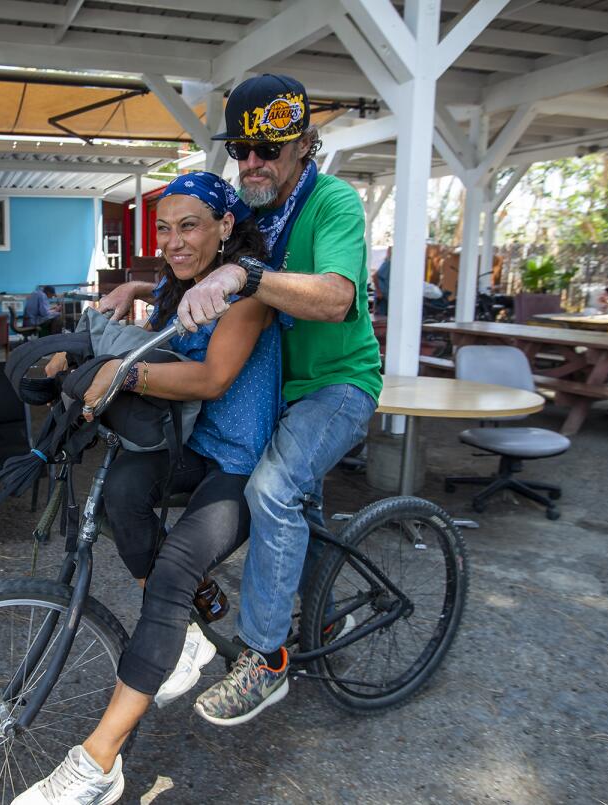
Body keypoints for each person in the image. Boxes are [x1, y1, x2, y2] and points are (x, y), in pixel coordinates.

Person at [98, 74, 381, 727]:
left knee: (274, 490)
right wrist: (142, 285)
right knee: (294, 508)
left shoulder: (335, 203)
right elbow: (205, 263)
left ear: (305, 146)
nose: (252, 162)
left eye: (269, 149)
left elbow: (337, 298)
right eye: (241, 149)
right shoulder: (249, 211)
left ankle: (267, 657)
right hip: (278, 389)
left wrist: (248, 275)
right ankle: (323, 608)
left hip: (335, 382)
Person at [14, 173, 279, 805]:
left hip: (245, 461)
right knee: (118, 496)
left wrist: (121, 376)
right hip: (194, 449)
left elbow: (213, 379)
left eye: (189, 226)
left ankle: (98, 762)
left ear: (224, 227)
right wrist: (130, 288)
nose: (174, 240)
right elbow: (160, 293)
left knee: (174, 570)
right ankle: (189, 627)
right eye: (164, 227)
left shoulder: (245, 290)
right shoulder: (181, 284)